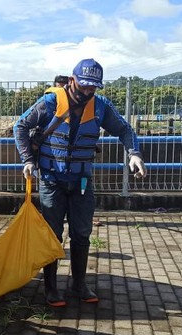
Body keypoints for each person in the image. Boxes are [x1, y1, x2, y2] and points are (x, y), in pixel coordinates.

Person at [14, 58, 147, 307]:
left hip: (82, 181)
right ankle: (51, 286)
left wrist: (135, 154)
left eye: (93, 87)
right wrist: (28, 160)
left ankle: (79, 283)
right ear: (72, 80)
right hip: (52, 180)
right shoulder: (51, 102)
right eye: (84, 85)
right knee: (52, 234)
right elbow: (20, 125)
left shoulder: (100, 106)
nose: (87, 91)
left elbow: (125, 130)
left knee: (82, 234)